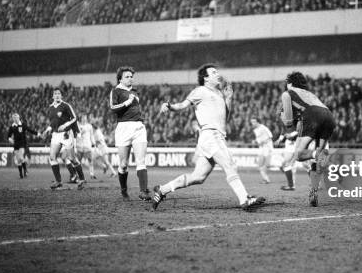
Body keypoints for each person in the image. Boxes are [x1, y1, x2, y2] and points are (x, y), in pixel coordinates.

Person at [152, 63, 265, 211]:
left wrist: (229, 99)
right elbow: (183, 105)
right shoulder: (200, 91)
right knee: (229, 164)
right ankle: (245, 199)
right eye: (213, 72)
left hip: (215, 136)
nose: (218, 74)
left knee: (198, 177)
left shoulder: (219, 93)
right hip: (210, 135)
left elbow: (225, 118)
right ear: (205, 78)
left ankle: (162, 190)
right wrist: (169, 106)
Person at [280, 71, 336, 206]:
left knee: (299, 155)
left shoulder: (287, 93)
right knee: (317, 161)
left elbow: (288, 123)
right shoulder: (310, 94)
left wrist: (282, 114)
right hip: (329, 116)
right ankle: (314, 190)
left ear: (290, 83)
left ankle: (317, 154)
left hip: (313, 116)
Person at [110, 66, 151, 201]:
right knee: (123, 164)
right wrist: (127, 102)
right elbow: (113, 108)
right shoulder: (115, 91)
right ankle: (123, 190)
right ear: (120, 79)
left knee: (141, 161)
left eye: (131, 76)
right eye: (127, 76)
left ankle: (143, 191)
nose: (130, 78)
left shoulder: (135, 91)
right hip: (123, 128)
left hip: (138, 127)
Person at [42, 87, 86, 190]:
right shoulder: (51, 107)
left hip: (66, 134)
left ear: (61, 96)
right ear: (52, 96)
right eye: (55, 93)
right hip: (56, 134)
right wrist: (48, 129)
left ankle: (82, 179)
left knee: (71, 158)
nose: (57, 95)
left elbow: (74, 118)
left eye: (59, 93)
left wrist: (66, 125)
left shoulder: (66, 106)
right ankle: (58, 181)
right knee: (52, 157)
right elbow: (52, 122)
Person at [7, 112, 38, 179]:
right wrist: (10, 140)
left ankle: (25, 171)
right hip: (16, 145)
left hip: (22, 144)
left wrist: (37, 133)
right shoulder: (12, 127)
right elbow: (9, 136)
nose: (15, 119)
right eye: (14, 118)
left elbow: (30, 130)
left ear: (19, 118)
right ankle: (21, 174)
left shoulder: (23, 125)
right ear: (13, 119)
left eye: (16, 117)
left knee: (21, 157)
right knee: (18, 160)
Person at [250, 117, 273, 184]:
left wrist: (261, 141)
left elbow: (270, 136)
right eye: (252, 122)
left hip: (267, 147)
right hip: (262, 148)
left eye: (254, 122)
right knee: (260, 165)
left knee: (265, 165)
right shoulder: (255, 130)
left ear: (258, 122)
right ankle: (266, 179)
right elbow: (259, 139)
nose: (252, 123)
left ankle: (266, 179)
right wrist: (255, 141)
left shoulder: (263, 128)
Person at [76, 114, 96, 179]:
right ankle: (77, 175)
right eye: (83, 118)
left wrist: (93, 142)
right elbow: (77, 135)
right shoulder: (78, 125)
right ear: (81, 118)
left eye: (85, 118)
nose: (84, 119)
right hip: (80, 146)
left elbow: (91, 135)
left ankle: (92, 174)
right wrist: (81, 131)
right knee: (78, 161)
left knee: (90, 160)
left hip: (87, 145)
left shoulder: (89, 126)